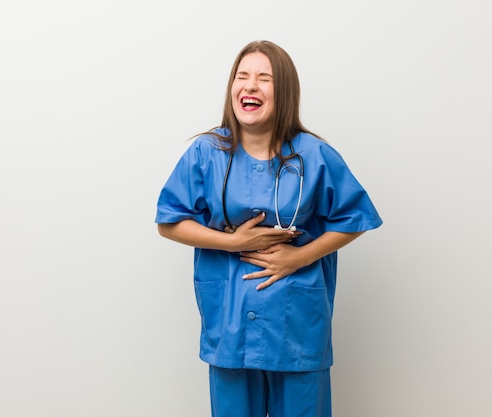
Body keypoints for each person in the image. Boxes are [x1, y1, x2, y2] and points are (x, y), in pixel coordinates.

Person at [155, 40, 382, 417]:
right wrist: (233, 242)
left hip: (296, 324)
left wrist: (297, 258)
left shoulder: (313, 154)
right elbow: (170, 221)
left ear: (285, 92)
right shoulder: (206, 152)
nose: (250, 86)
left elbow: (355, 217)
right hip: (229, 322)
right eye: (242, 76)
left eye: (264, 78)